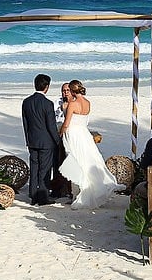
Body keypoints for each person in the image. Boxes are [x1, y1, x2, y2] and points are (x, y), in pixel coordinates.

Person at [58, 79, 122, 210]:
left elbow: (67, 123)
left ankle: (79, 193)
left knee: (76, 161)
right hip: (84, 134)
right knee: (87, 160)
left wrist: (61, 132)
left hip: (74, 134)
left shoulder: (72, 104)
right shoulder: (87, 103)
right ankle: (87, 189)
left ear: (72, 90)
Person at [22, 74, 61, 206]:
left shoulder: (26, 102)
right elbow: (51, 125)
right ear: (46, 87)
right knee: (44, 169)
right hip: (46, 142)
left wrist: (28, 139)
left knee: (34, 167)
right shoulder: (47, 103)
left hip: (32, 140)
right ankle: (43, 195)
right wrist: (57, 140)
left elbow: (25, 124)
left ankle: (33, 194)